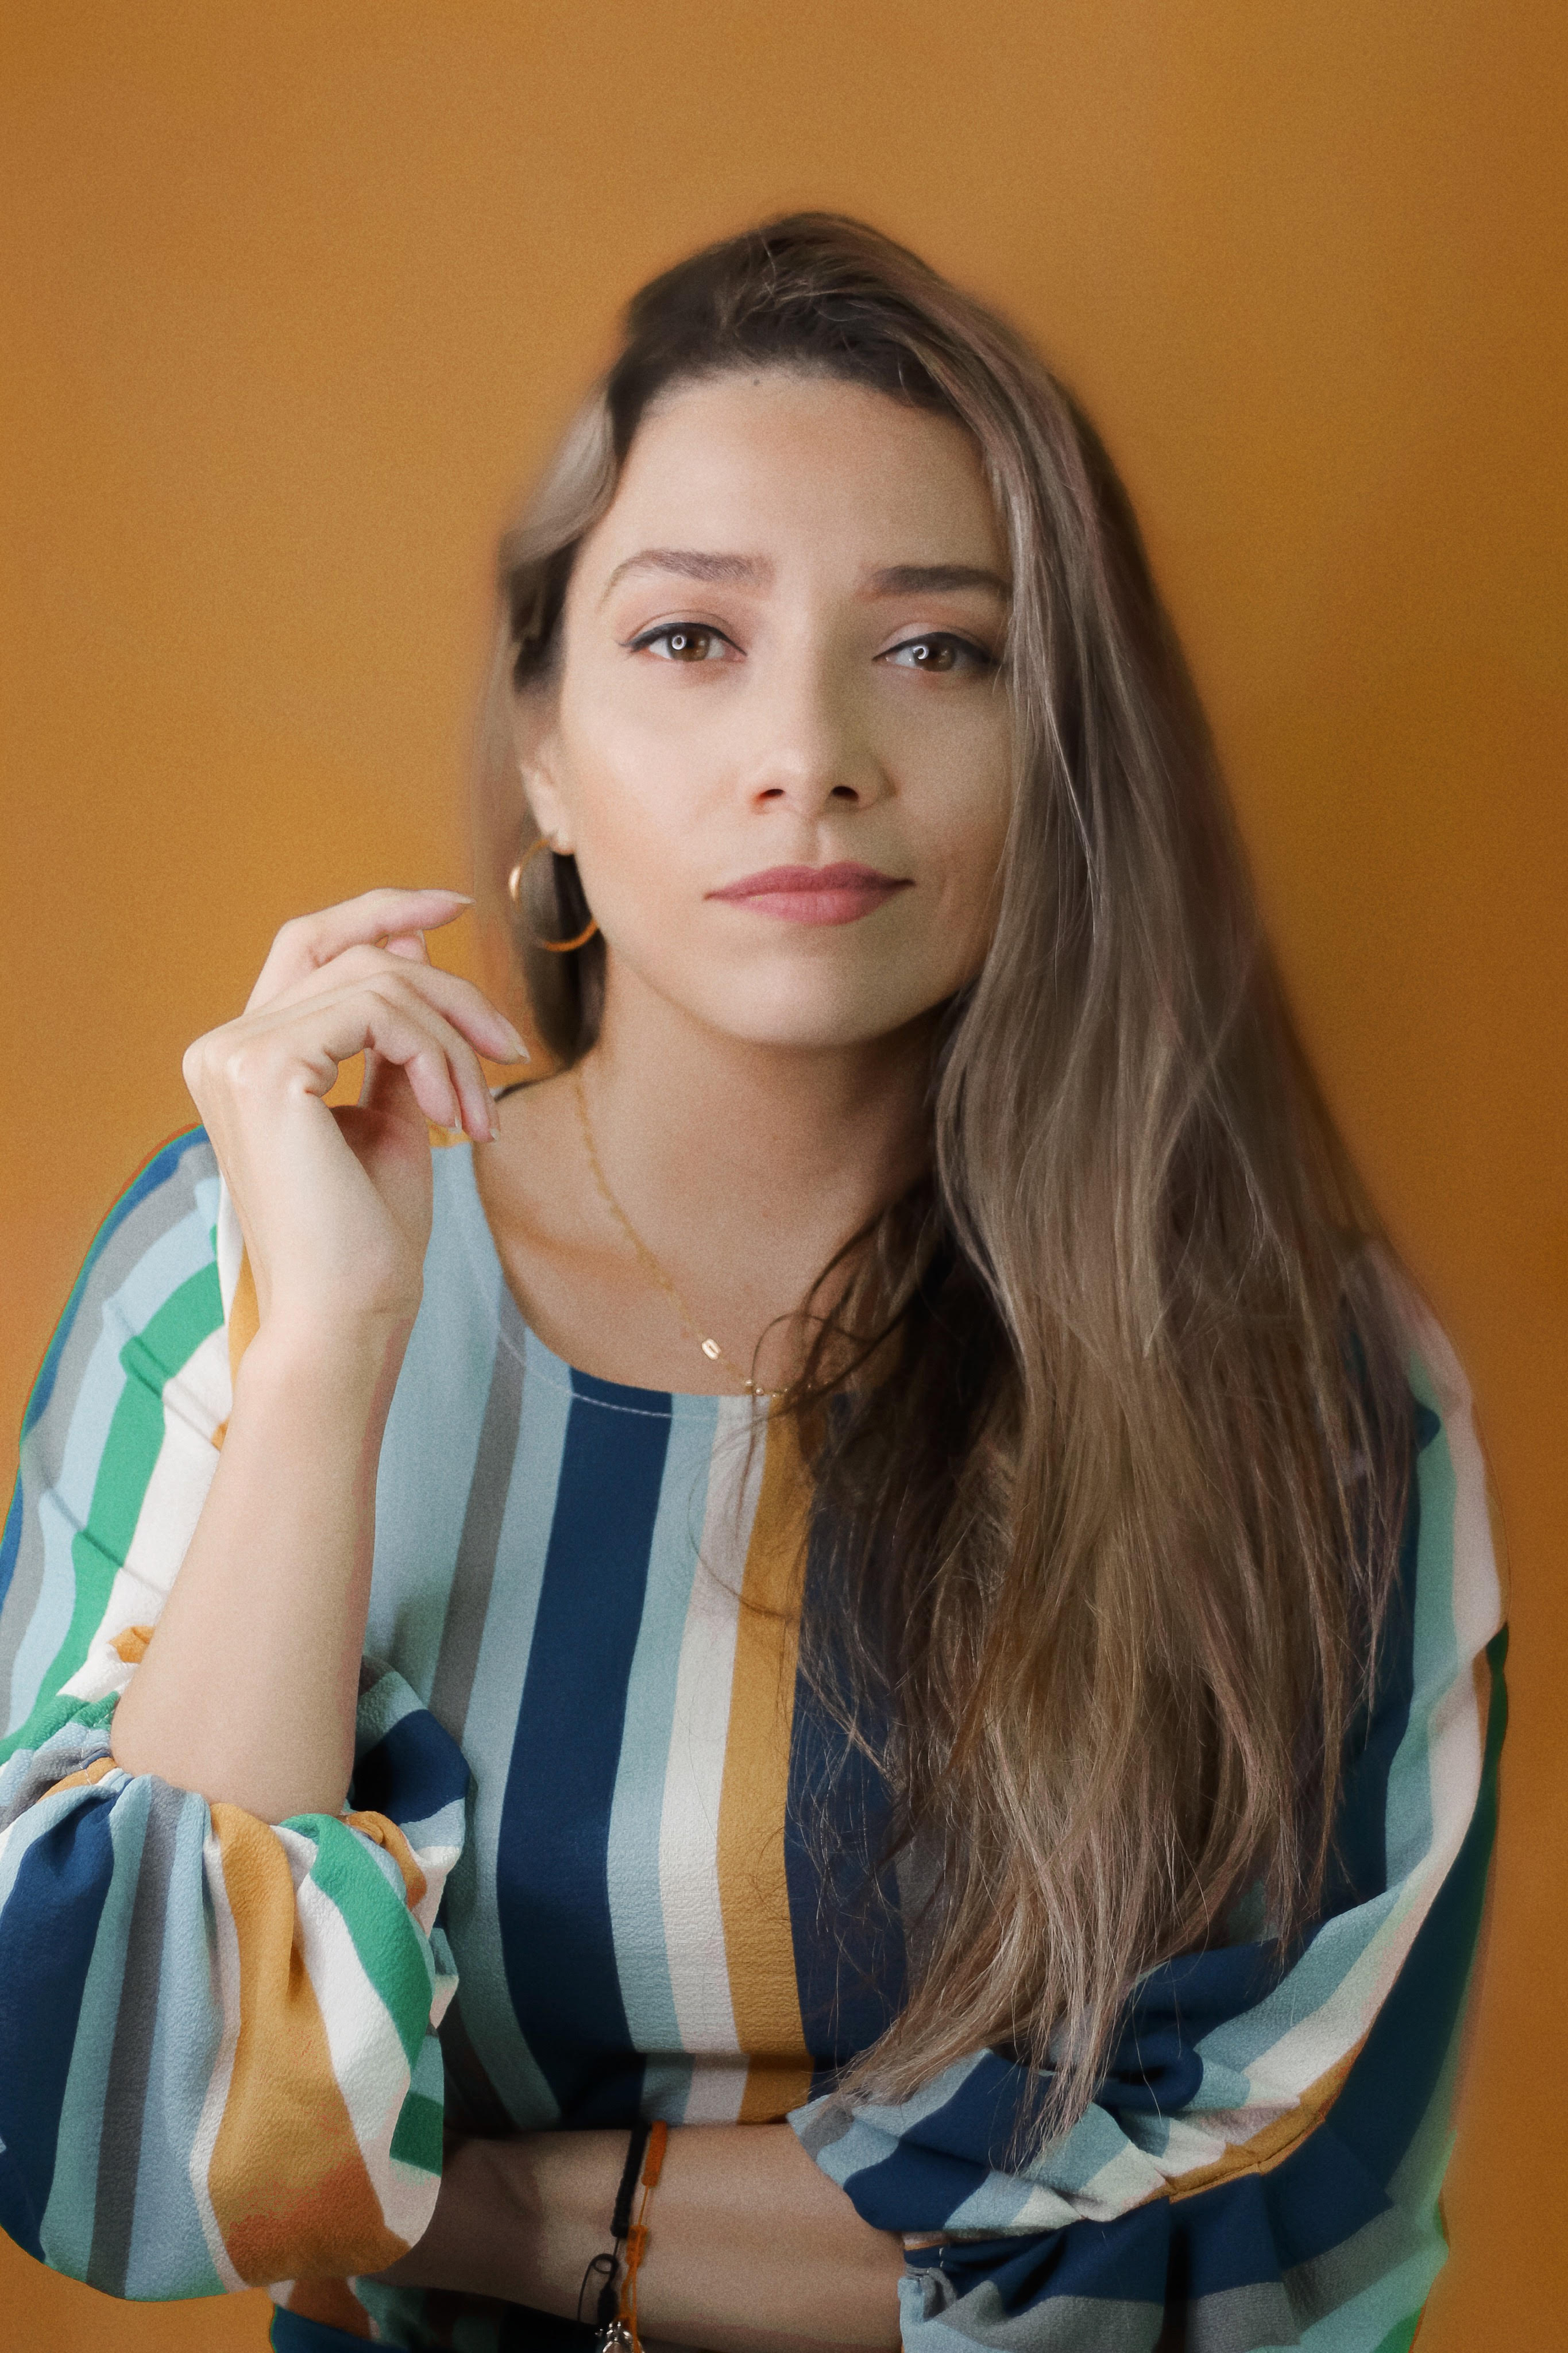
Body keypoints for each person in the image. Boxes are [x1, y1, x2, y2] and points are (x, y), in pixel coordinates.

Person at [0, 215, 1503, 2353]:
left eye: (938, 649)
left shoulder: (1299, 1378)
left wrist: (444, 2207)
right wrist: (326, 1358)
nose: (809, 751)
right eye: (691, 638)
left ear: (1061, 745)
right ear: (543, 744)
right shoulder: (231, 1268)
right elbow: (120, 2130)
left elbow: (1253, 2218)